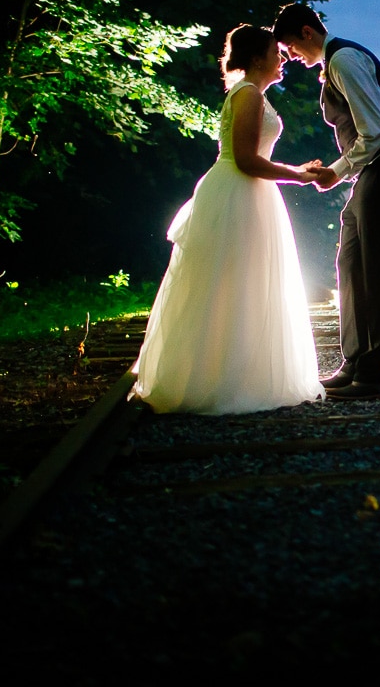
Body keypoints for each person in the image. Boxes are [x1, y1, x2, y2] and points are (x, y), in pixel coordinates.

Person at [132, 24, 324, 414]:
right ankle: (223, 379)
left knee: (236, 284)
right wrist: (299, 174)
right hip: (238, 192)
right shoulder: (249, 94)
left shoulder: (250, 94)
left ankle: (229, 372)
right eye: (276, 51)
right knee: (233, 282)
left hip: (245, 193)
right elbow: (246, 160)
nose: (282, 58)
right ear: (257, 59)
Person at [272, 3, 380, 401]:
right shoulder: (334, 64)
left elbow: (376, 131)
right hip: (373, 172)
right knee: (350, 262)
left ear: (307, 32)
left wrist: (336, 171)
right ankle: (355, 362)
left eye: (290, 47)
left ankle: (374, 374)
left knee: (375, 270)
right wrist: (342, 171)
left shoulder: (345, 60)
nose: (292, 58)